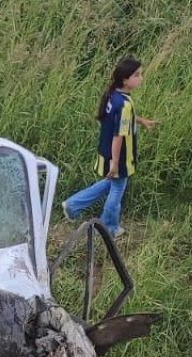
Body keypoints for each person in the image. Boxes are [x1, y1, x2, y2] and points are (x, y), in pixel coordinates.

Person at [61, 57, 157, 238]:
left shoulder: (114, 96)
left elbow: (119, 120)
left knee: (110, 184)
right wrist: (114, 163)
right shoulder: (125, 104)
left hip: (106, 152)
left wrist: (141, 121)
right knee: (117, 189)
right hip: (119, 156)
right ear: (125, 79)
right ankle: (107, 228)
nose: (141, 78)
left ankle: (73, 205)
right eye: (137, 75)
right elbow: (118, 135)